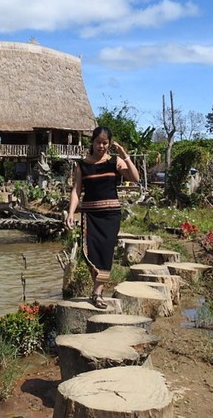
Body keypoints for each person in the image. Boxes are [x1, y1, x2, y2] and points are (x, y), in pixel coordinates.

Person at [65, 126, 140, 309]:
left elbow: (135, 178)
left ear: (109, 144)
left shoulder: (115, 162)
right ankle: (96, 289)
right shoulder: (82, 165)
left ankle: (97, 292)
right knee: (90, 252)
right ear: (92, 142)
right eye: (98, 142)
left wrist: (125, 156)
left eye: (105, 143)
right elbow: (76, 190)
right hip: (90, 215)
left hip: (111, 215)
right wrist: (70, 212)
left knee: (105, 252)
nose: (101, 146)